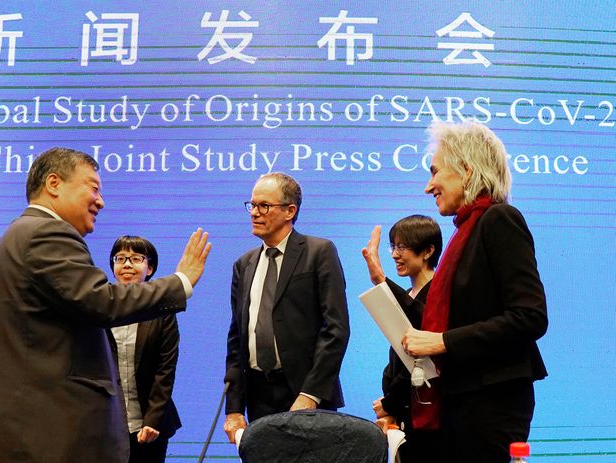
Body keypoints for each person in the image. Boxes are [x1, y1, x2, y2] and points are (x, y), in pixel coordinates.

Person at [0, 147, 211, 463]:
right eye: (93, 187)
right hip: (46, 439)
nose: (101, 201)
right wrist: (181, 281)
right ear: (54, 183)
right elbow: (102, 302)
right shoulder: (46, 233)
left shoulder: (25, 231)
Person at [372, 122, 547, 463]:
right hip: (458, 400)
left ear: (466, 171)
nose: (428, 186)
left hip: (489, 404)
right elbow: (439, 321)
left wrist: (443, 342)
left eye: (435, 171)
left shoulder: (499, 220)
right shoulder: (465, 231)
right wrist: (384, 284)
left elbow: (530, 317)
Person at [223, 172, 350, 444]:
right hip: (259, 399)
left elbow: (335, 329)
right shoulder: (243, 265)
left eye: (264, 206)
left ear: (290, 211)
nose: (254, 213)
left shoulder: (319, 252)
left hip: (307, 396)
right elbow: (237, 340)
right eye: (252, 205)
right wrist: (234, 408)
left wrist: (311, 394)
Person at [362, 215, 443, 462]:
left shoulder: (440, 294)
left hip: (433, 417)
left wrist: (391, 402)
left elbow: (421, 359)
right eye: (393, 247)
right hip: (406, 415)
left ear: (428, 250)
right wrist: (390, 405)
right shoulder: (408, 293)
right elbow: (397, 355)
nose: (395, 255)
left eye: (403, 247)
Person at [109, 236, 182, 463]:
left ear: (149, 268)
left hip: (150, 425)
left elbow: (165, 371)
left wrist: (153, 420)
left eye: (136, 258)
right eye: (120, 258)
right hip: (106, 425)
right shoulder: (100, 306)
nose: (127, 264)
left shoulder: (162, 311)